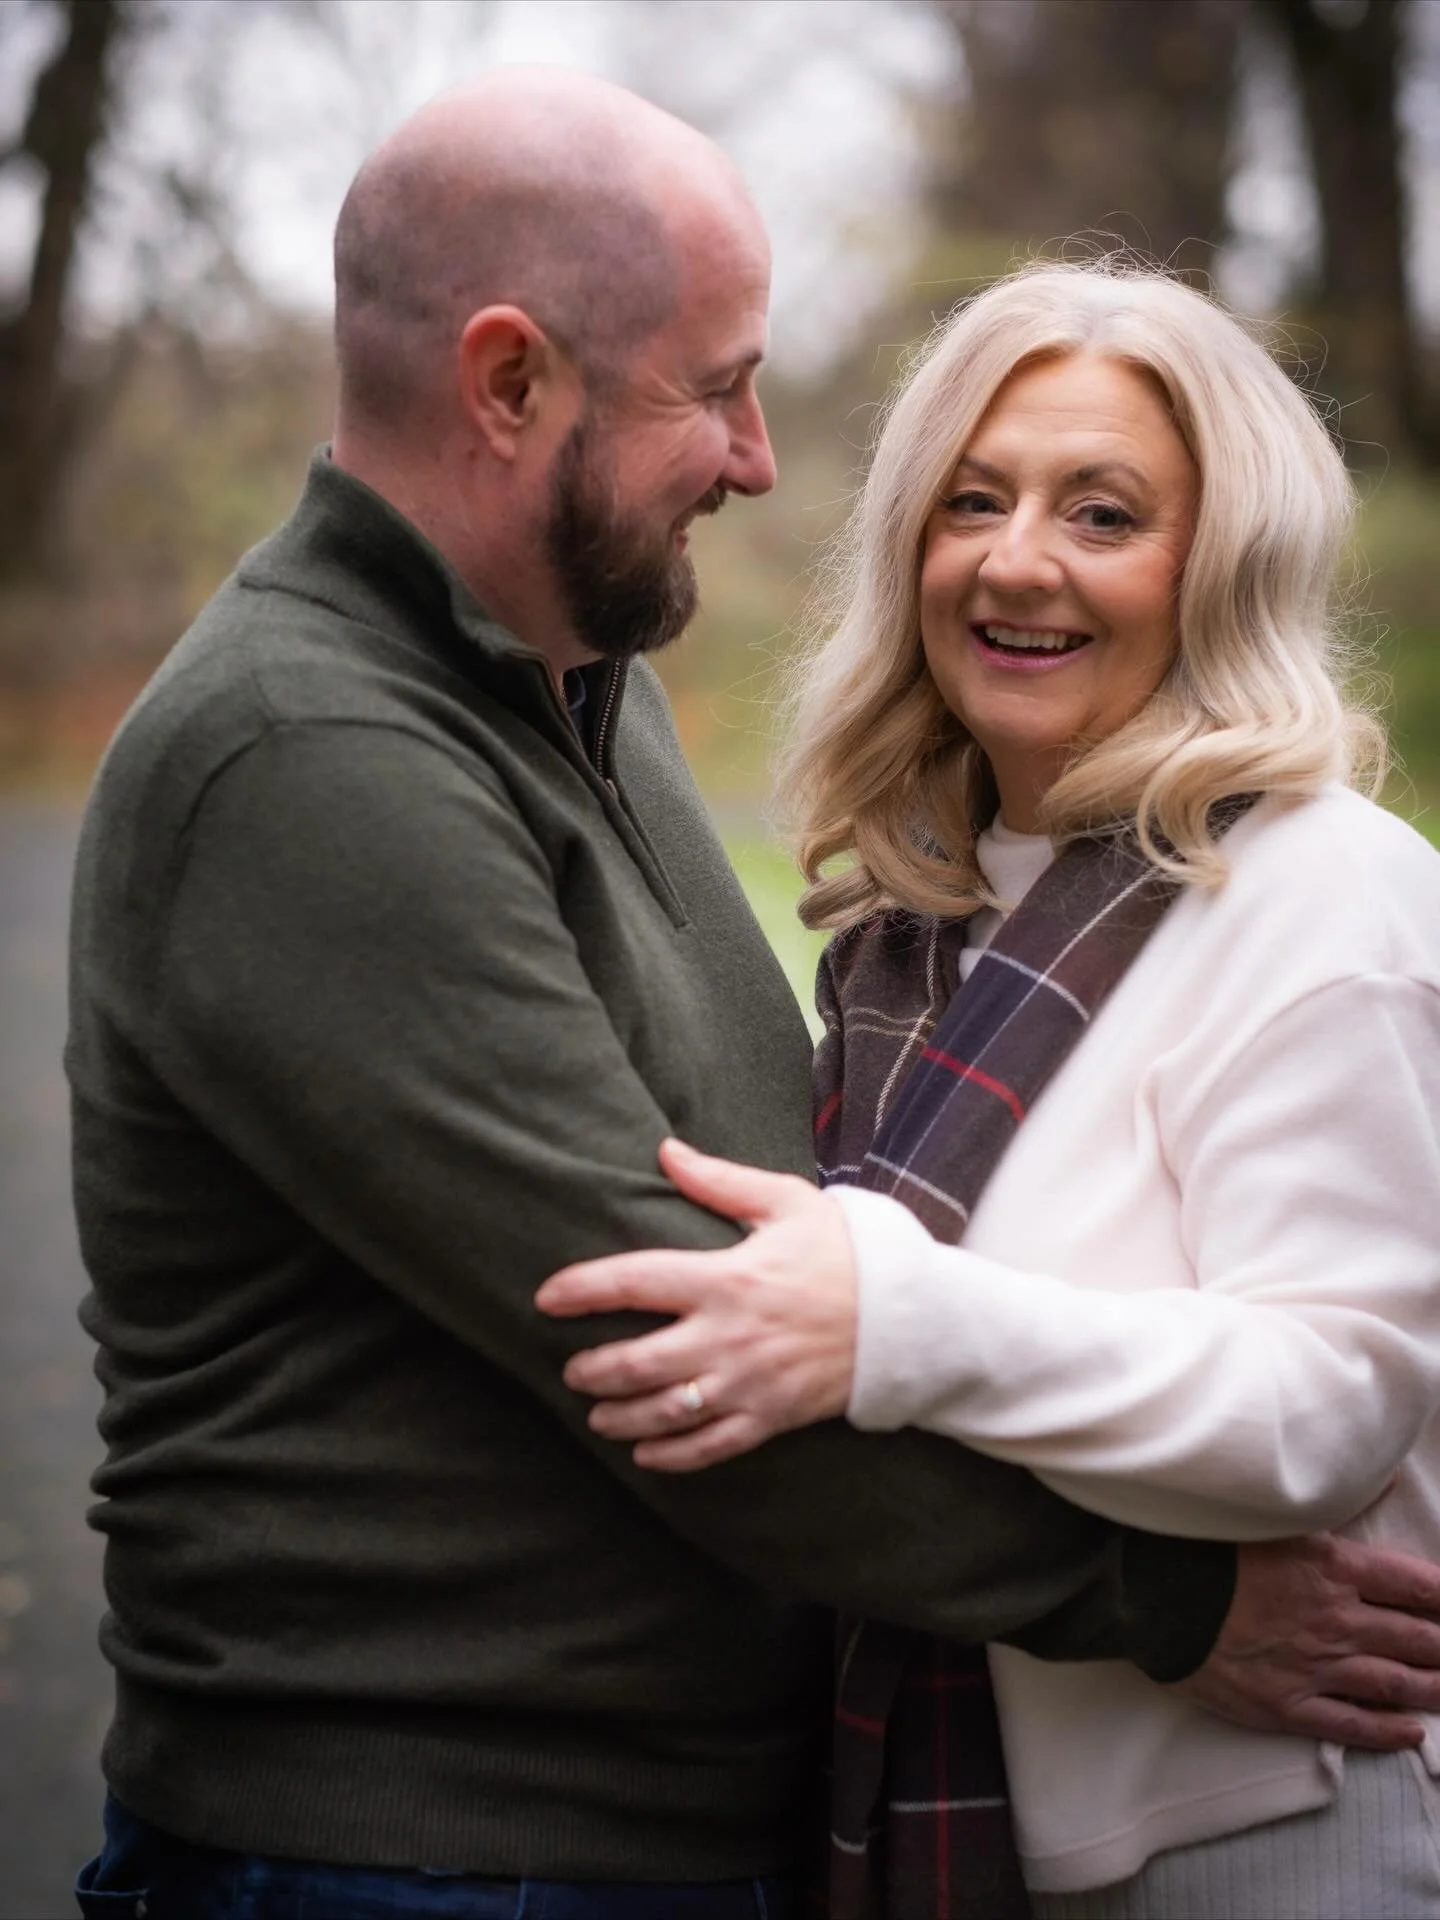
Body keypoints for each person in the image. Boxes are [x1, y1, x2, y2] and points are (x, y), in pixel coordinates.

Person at [66, 68, 1440, 1918]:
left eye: (1106, 512)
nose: (759, 455)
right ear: (508, 383)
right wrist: (1165, 1602)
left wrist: (900, 1331)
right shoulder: (311, 750)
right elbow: (664, 1333)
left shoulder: (572, 691)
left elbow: (856, 1286)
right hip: (419, 1841)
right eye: (711, 387)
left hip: (740, 1827)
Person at [536, 260, 1440, 1917]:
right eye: (975, 500)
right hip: (986, 1822)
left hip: (1262, 1829)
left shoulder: (1324, 893)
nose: (1018, 561)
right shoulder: (920, 931)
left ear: (1219, 563)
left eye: (1104, 514)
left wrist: (897, 1321)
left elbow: (1337, 1397)